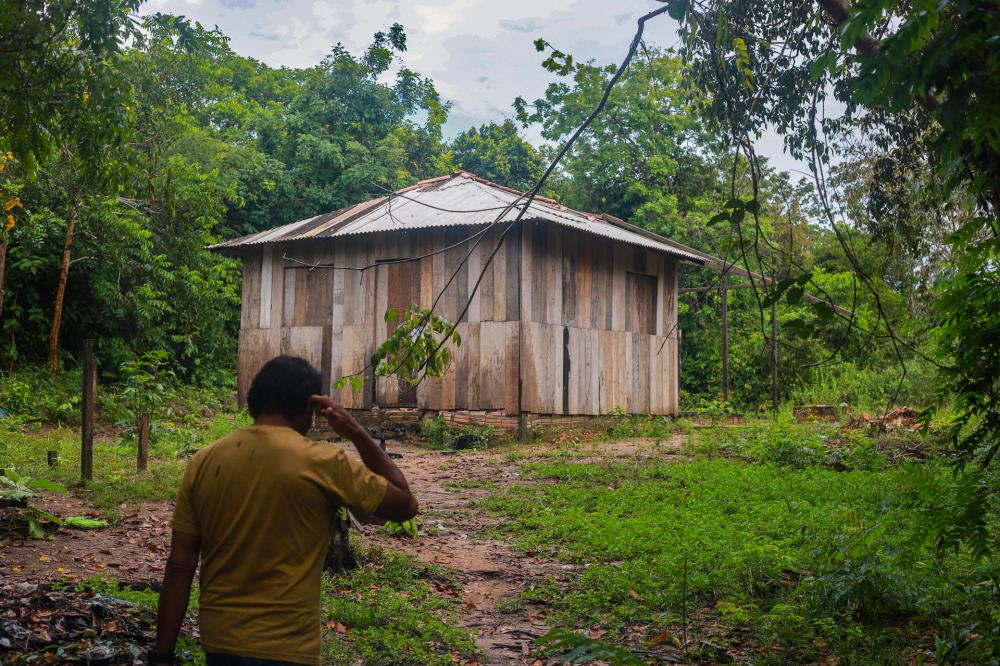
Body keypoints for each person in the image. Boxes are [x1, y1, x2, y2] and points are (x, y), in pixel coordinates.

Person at [149, 355, 418, 666]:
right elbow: (405, 505)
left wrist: (162, 653)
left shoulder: (204, 461)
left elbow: (180, 565)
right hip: (289, 646)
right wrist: (355, 431)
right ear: (312, 408)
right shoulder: (325, 463)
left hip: (221, 641)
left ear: (253, 403)